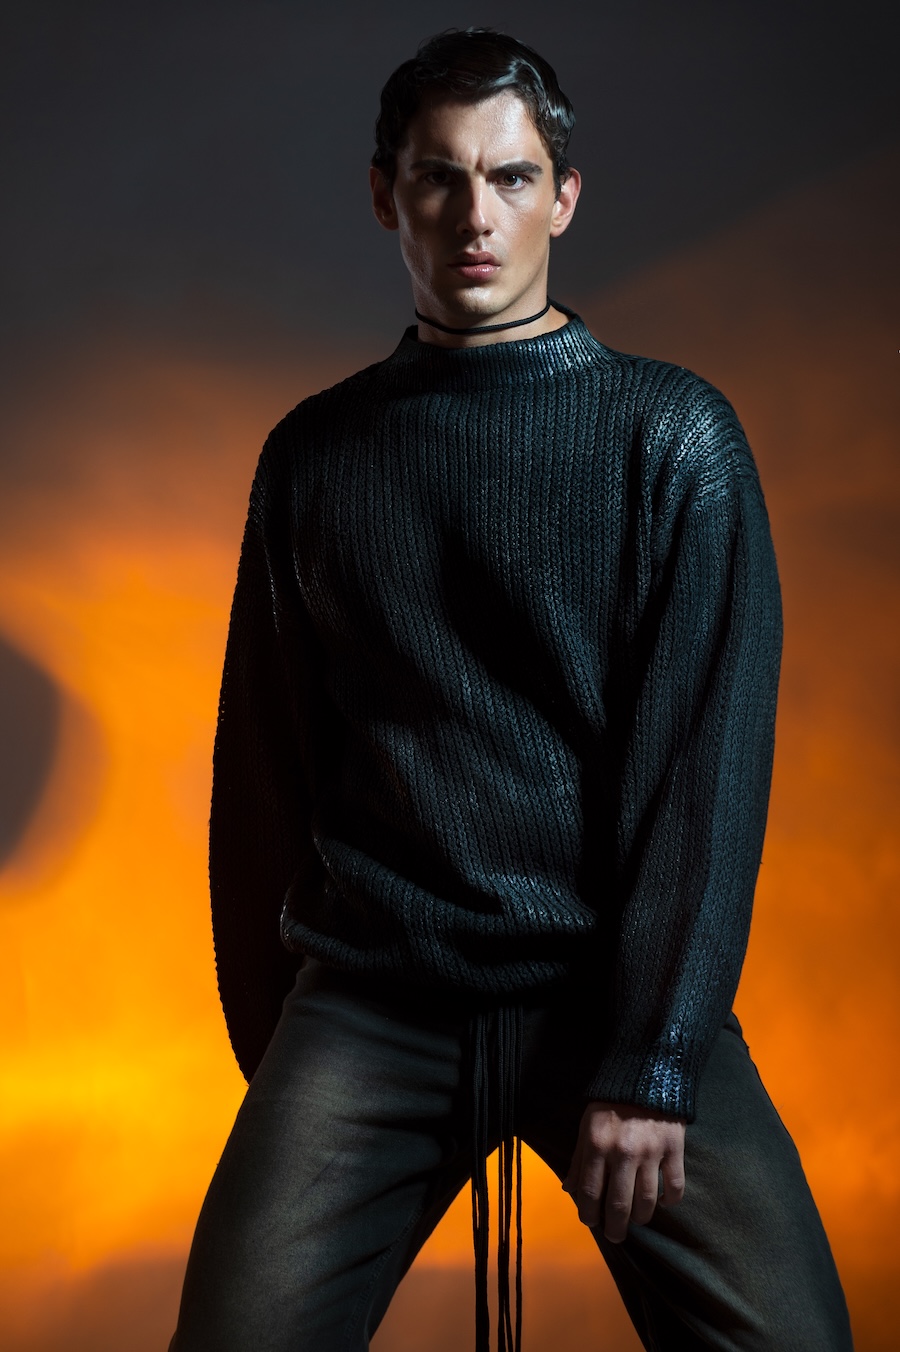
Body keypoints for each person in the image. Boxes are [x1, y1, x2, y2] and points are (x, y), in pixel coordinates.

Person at [170, 27, 852, 1352]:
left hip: (611, 993)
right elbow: (260, 772)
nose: (475, 216)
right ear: (387, 196)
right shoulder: (314, 456)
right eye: (439, 178)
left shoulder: (674, 438)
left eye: (512, 177)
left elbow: (705, 773)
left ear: (565, 196)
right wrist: (284, 1063)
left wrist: (657, 1057)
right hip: (374, 1003)